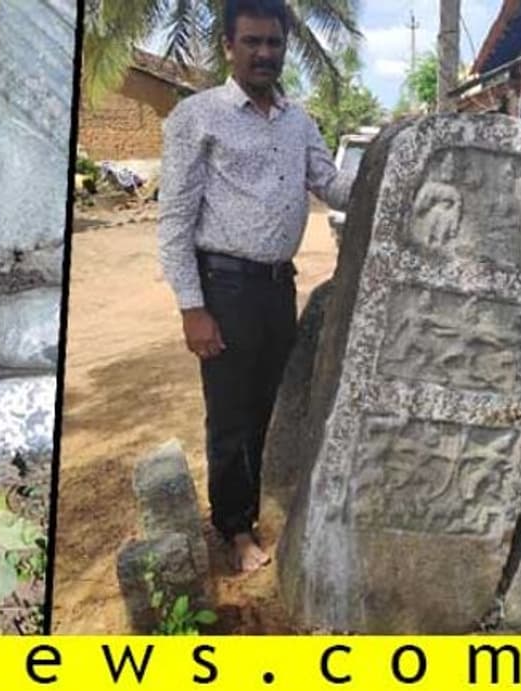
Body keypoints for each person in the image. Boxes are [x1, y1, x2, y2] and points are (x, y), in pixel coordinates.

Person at [157, 0, 353, 574]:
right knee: (231, 414)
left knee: (274, 403)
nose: (264, 53)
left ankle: (262, 504)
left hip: (276, 288)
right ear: (228, 47)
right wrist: (192, 308)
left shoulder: (298, 122)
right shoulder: (198, 117)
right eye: (252, 42)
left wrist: (390, 172)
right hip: (225, 287)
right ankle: (236, 528)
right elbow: (174, 222)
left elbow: (331, 185)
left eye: (273, 43)